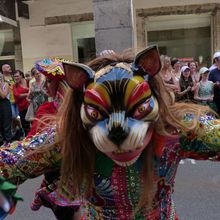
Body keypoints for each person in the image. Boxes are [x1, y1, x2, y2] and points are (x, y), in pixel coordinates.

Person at [0, 46, 219, 220]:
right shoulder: (70, 136)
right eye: (98, 113)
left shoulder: (177, 127)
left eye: (138, 109)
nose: (119, 133)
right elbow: (10, 162)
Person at [12, 70, 30, 136]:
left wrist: (24, 94)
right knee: (25, 125)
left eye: (17, 76)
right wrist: (27, 94)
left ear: (21, 75)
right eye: (14, 77)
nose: (16, 78)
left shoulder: (28, 81)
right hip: (22, 107)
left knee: (34, 123)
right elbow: (17, 95)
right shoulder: (15, 86)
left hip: (30, 106)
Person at [0, 73, 12, 146]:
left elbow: (3, 96)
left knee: (6, 124)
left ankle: (8, 142)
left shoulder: (6, 84)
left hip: (5, 105)